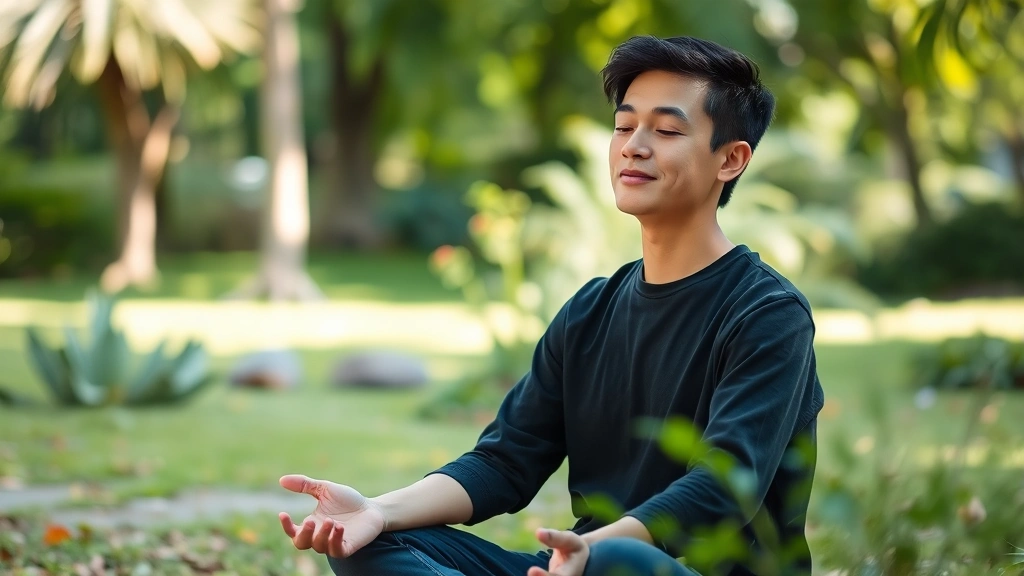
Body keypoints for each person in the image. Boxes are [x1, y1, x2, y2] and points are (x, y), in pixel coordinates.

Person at [278, 34, 825, 576]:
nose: (634, 145)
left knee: (617, 559)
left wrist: (590, 552)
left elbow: (723, 488)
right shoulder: (590, 312)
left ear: (730, 159)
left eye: (665, 129)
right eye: (623, 125)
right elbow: (504, 461)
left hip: (643, 568)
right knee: (370, 545)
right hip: (576, 567)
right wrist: (378, 510)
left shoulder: (768, 314)